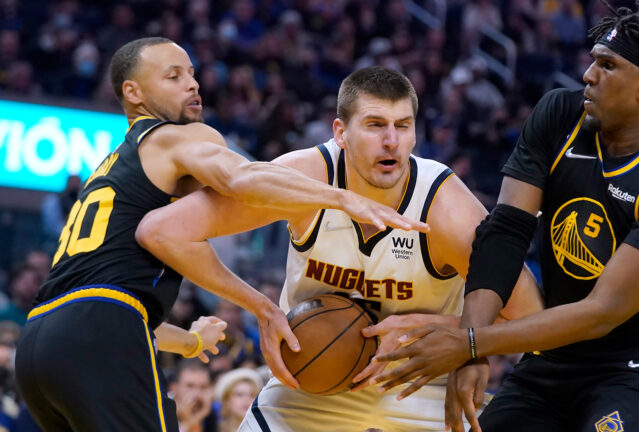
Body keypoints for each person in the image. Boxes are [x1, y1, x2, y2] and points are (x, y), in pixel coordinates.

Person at [15, 37, 425, 432]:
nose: (192, 84)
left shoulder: (112, 170)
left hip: (38, 346)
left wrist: (191, 344)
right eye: (173, 76)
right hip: (97, 328)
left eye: (192, 73)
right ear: (133, 93)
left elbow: (103, 303)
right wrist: (341, 197)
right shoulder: (174, 136)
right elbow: (241, 178)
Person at [371, 2, 639, 431]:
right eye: (593, 61)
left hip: (636, 369)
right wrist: (471, 349)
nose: (588, 75)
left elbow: (602, 312)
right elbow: (505, 232)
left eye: (607, 66)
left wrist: (471, 342)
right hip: (553, 357)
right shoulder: (559, 115)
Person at [136, 66, 543, 431]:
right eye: (375, 125)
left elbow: (533, 320)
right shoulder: (304, 176)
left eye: (403, 126)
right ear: (340, 132)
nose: (391, 141)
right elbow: (162, 231)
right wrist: (262, 308)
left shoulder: (445, 207)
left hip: (421, 383)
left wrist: (430, 327)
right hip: (311, 383)